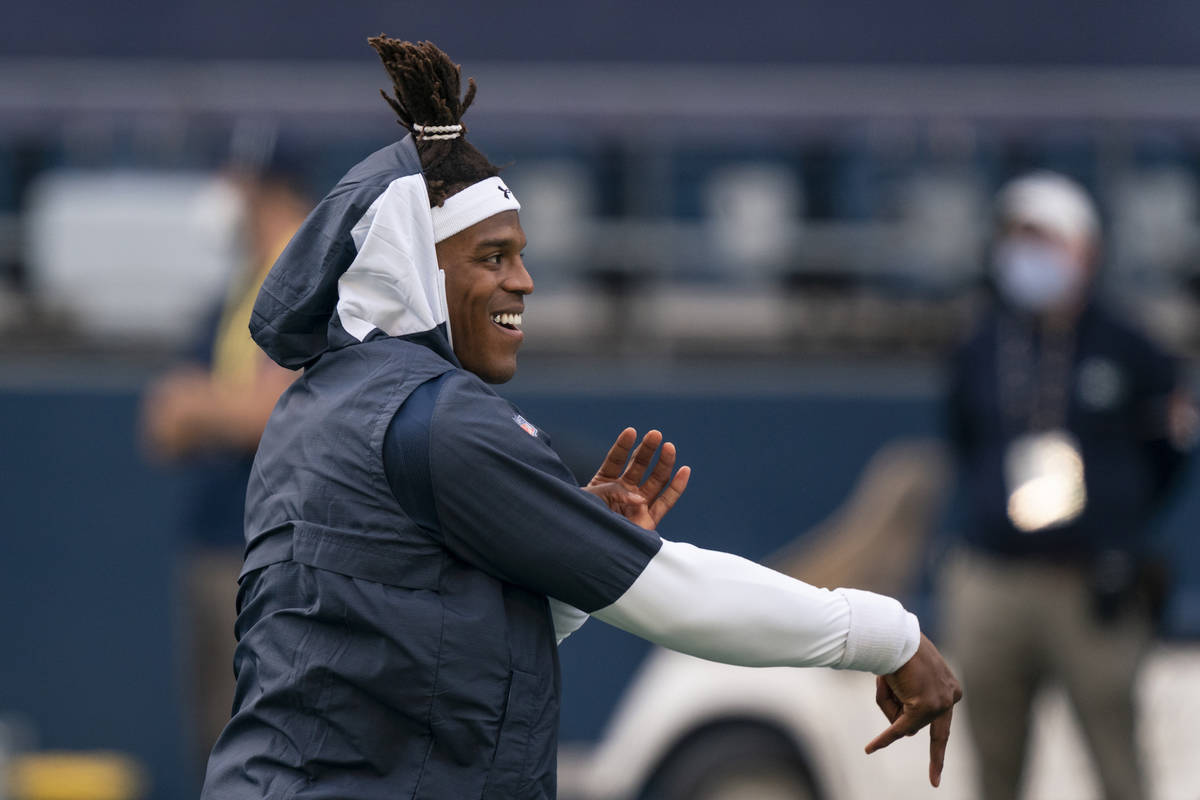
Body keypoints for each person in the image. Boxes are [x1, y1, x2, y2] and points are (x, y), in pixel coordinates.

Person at [201, 39, 961, 800]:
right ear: (416, 267)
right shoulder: (436, 419)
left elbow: (421, 653)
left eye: (521, 255)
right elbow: (674, 596)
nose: (524, 282)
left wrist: (565, 571)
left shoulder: (319, 403)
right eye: (492, 257)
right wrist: (885, 636)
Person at [943, 171, 1195, 800]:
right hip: (995, 577)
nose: (1026, 254)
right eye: (1016, 238)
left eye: (1042, 238)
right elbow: (964, 436)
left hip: (1088, 585)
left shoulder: (1130, 346)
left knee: (1117, 763)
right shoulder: (982, 342)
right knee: (993, 768)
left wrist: (1122, 529)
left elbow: (1170, 449)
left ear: (1084, 247)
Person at [141, 164, 310, 772]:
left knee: (266, 745)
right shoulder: (235, 288)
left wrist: (206, 405)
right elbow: (161, 421)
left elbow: (272, 411)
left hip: (274, 553)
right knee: (216, 742)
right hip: (214, 546)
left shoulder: (312, 280)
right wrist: (223, 407)